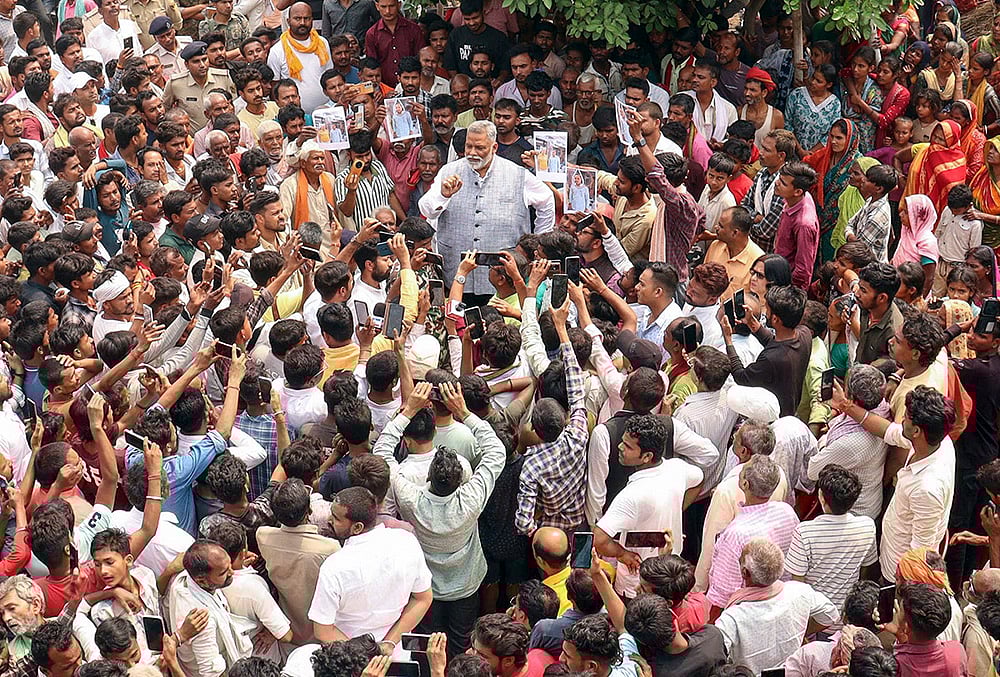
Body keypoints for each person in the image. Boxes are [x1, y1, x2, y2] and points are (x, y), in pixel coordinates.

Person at [419, 120, 554, 302]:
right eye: (469, 147)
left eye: (480, 148)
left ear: (494, 147)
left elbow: (546, 200)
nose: (472, 153)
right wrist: (443, 196)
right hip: (456, 274)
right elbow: (426, 209)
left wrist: (537, 244)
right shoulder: (449, 171)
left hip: (503, 280)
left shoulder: (517, 174)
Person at [309, 486, 433, 648]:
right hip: (393, 652)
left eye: (336, 518)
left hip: (350, 659)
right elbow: (423, 599)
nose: (329, 520)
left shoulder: (334, 567)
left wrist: (375, 651)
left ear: (357, 527)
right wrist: (387, 645)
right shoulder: (407, 542)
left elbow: (323, 632)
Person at [715, 538, 839, 673]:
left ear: (745, 572)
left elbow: (715, 656)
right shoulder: (799, 592)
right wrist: (802, 631)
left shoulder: (732, 618)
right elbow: (831, 615)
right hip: (792, 672)